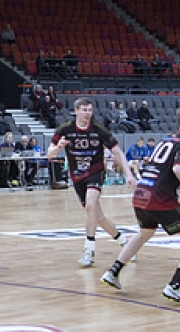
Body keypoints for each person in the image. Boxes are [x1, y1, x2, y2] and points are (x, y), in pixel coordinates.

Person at [99, 104, 180, 303]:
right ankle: (175, 286)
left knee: (145, 232)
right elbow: (179, 169)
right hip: (159, 198)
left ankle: (113, 272)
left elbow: (160, 172)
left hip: (142, 194)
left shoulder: (167, 139)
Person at [46, 98, 134, 268]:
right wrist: (58, 148)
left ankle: (89, 249)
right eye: (84, 110)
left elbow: (118, 152)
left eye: (90, 110)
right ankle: (125, 242)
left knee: (91, 204)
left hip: (95, 171)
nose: (88, 113)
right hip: (77, 176)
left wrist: (129, 174)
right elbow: (50, 154)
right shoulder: (65, 129)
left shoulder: (98, 130)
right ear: (76, 111)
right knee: (98, 217)